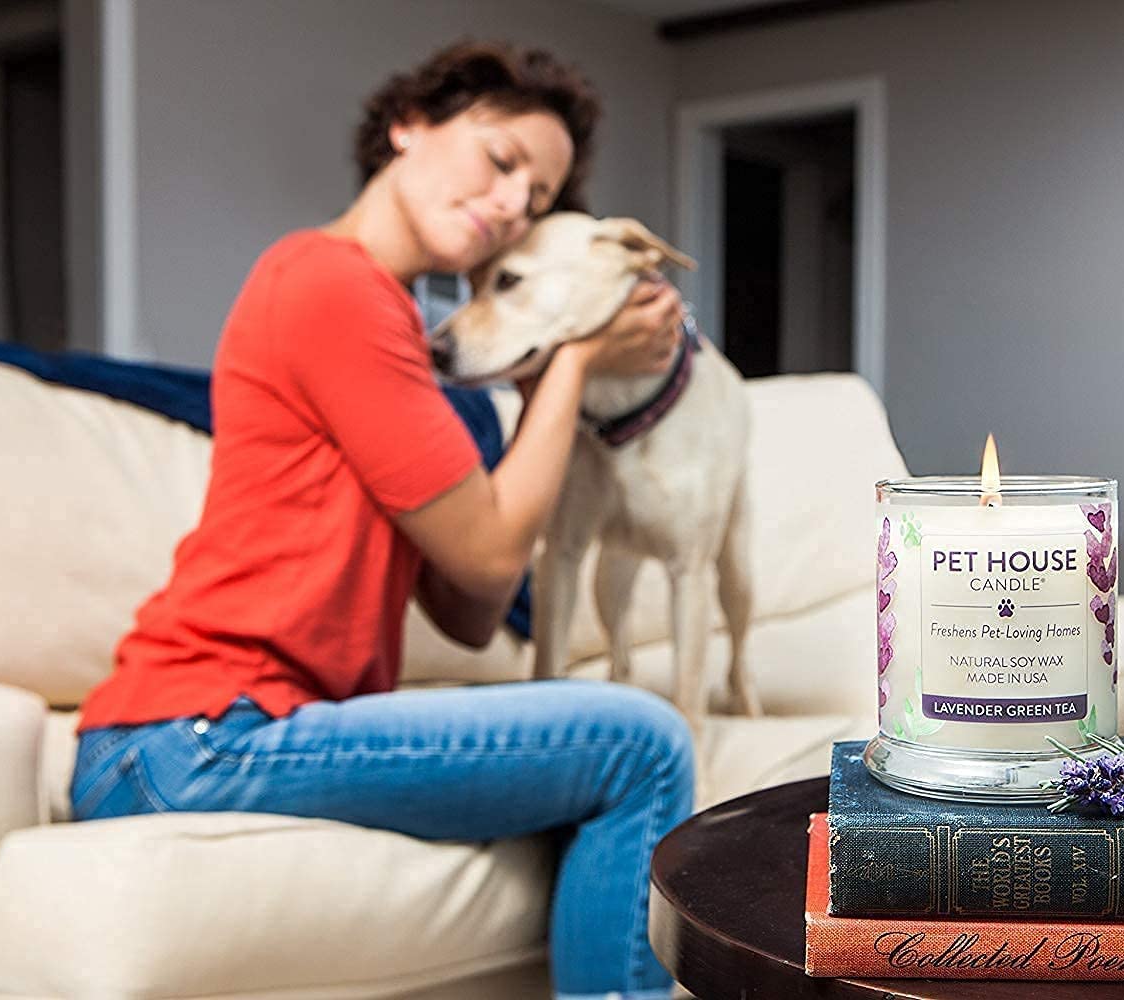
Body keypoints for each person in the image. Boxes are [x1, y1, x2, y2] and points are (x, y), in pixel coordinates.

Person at [70, 40, 693, 1000]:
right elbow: (492, 553)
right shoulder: (330, 282)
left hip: (220, 731)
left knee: (618, 739)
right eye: (501, 161)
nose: (510, 205)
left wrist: (531, 379)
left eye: (536, 200)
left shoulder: (395, 326)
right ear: (409, 126)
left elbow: (473, 607)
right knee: (641, 744)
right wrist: (574, 358)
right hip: (194, 732)